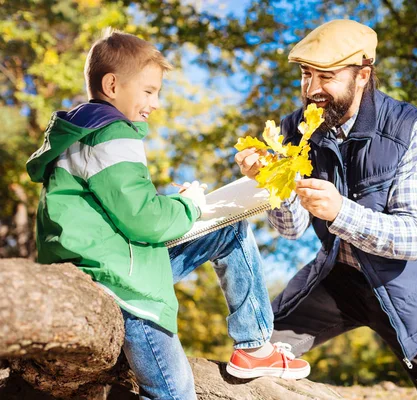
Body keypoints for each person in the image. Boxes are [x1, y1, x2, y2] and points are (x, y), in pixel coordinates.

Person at [26, 28, 309, 400]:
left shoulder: (81, 132)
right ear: (112, 85)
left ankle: (255, 347)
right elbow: (145, 220)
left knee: (230, 230)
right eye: (149, 91)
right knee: (174, 392)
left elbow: (120, 208)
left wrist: (179, 207)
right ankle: (254, 345)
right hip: (119, 283)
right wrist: (190, 204)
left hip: (106, 262)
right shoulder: (113, 134)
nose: (156, 103)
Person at [235, 19, 417, 399]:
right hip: (338, 277)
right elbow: (292, 228)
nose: (312, 89)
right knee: (252, 351)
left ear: (362, 75)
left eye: (326, 76)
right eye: (305, 74)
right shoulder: (295, 130)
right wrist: (269, 184)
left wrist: (340, 211)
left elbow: (414, 238)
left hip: (414, 289)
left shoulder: (409, 130)